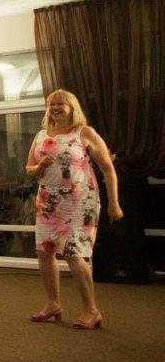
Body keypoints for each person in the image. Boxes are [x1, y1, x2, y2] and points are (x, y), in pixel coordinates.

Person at [26, 89, 123, 330]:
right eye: (51, 104)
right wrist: (39, 166)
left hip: (80, 202)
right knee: (44, 252)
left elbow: (108, 168)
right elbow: (29, 168)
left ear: (72, 108)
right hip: (48, 201)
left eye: (60, 104)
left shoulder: (84, 133)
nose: (55, 108)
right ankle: (53, 304)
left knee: (73, 252)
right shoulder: (40, 135)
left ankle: (92, 310)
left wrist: (114, 202)